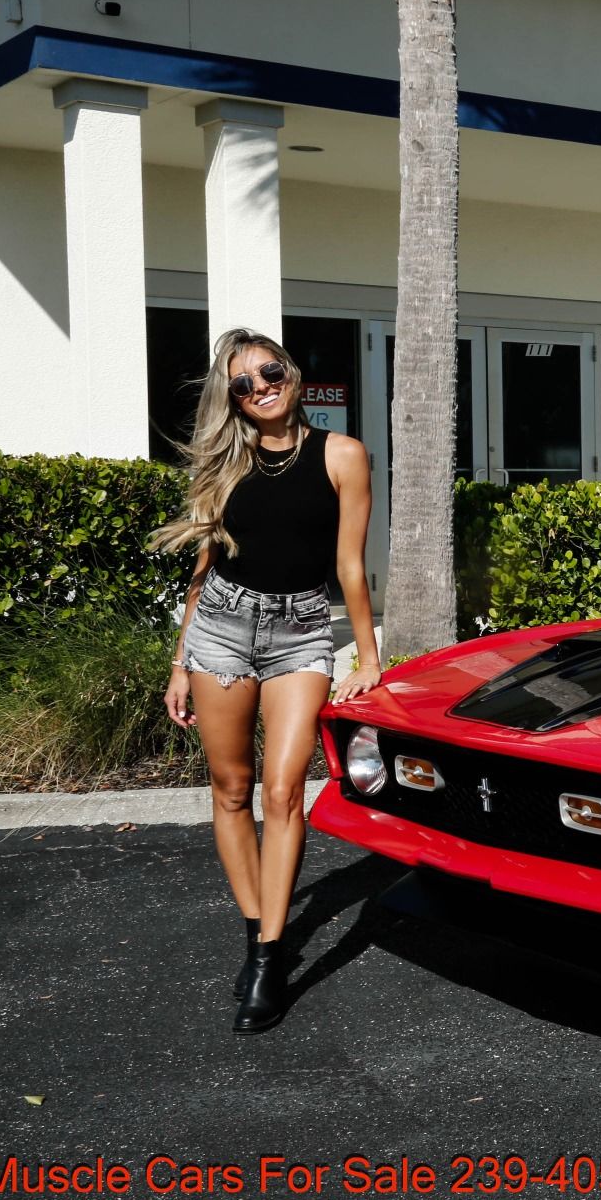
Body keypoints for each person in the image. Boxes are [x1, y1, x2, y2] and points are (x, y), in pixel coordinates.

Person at [150, 328, 382, 1033]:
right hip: (220, 628)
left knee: (284, 791)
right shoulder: (225, 464)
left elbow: (349, 567)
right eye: (242, 385)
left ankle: (270, 956)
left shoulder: (342, 455)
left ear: (293, 371)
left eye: (268, 371)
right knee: (231, 790)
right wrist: (181, 660)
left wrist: (366, 656)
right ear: (235, 401)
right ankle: (258, 932)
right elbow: (205, 565)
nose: (259, 388)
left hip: (301, 635)